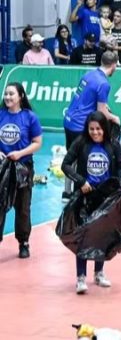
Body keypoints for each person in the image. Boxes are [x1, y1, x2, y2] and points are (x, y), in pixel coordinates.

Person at [61, 111, 121, 294]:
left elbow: (120, 167)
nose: (95, 132)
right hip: (85, 197)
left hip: (106, 197)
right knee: (83, 235)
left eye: (98, 129)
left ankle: (99, 273)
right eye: (91, 129)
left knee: (103, 234)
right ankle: (80, 277)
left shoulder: (113, 145)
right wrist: (81, 182)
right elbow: (65, 165)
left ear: (104, 129)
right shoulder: (81, 143)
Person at [62, 51, 121, 200]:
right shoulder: (104, 83)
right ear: (113, 65)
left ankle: (66, 192)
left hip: (69, 120)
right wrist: (115, 118)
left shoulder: (88, 74)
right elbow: (102, 112)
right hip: (80, 125)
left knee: (70, 157)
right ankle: (81, 189)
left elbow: (90, 100)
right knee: (81, 160)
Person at [0, 83, 42, 259]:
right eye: (6, 94)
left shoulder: (30, 117)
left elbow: (37, 143)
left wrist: (20, 153)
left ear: (20, 96)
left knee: (23, 207)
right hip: (2, 167)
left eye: (12, 94)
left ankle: (23, 242)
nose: (8, 97)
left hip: (23, 167)